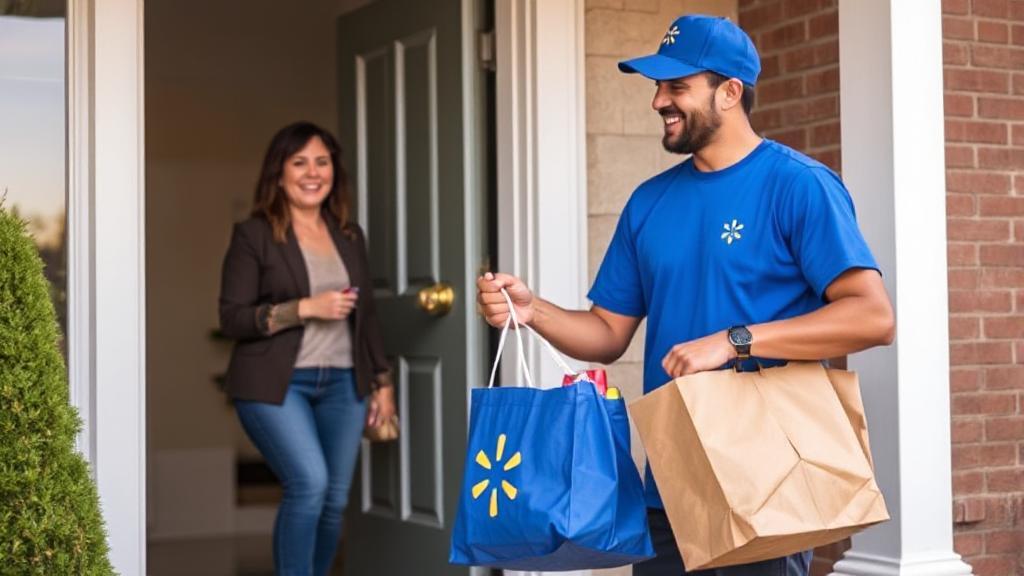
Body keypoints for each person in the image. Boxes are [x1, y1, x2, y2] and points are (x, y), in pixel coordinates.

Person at [476, 14, 895, 576]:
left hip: (772, 480)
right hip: (672, 481)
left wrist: (733, 341)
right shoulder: (649, 202)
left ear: (730, 91)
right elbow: (606, 334)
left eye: (676, 87)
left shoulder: (798, 184)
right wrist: (535, 311)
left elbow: (873, 318)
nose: (657, 102)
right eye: (656, 87)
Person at [219, 121, 395, 576]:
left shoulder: (349, 235)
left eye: (322, 161)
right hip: (276, 385)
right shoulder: (254, 235)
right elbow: (232, 317)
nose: (312, 172)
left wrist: (383, 384)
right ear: (278, 173)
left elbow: (367, 316)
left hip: (344, 384)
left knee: (334, 499)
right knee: (309, 484)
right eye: (299, 162)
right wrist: (304, 308)